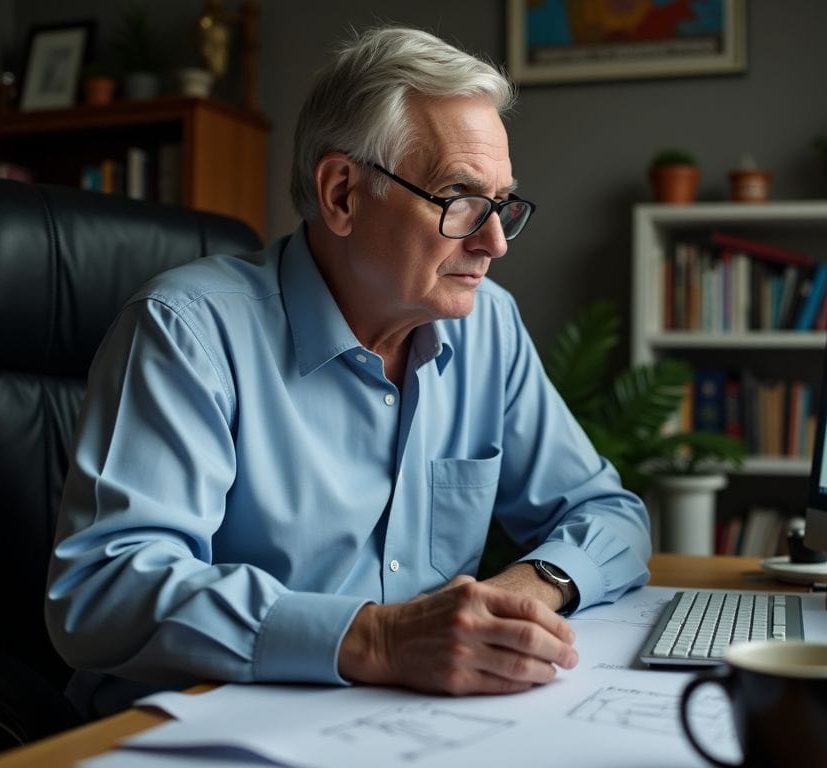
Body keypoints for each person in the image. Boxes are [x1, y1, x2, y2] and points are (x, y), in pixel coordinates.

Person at [45, 25, 651, 718]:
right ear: (340, 193)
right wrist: (378, 639)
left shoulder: (488, 325)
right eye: (459, 199)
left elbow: (610, 514)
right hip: (201, 725)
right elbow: (102, 590)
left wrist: (533, 585)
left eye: (502, 204)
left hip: (402, 723)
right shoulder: (188, 332)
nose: (492, 242)